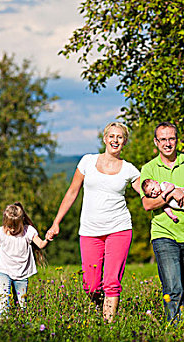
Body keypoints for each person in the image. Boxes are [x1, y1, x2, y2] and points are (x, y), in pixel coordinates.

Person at [46, 122, 140, 322]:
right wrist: (56, 222)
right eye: (112, 136)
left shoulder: (129, 169)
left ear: (125, 142)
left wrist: (169, 197)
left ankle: (108, 325)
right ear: (104, 139)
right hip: (90, 231)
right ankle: (100, 308)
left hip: (119, 229)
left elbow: (147, 193)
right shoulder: (87, 162)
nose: (115, 140)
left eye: (120, 137)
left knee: (111, 281)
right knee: (91, 285)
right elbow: (72, 192)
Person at [140, 122, 184, 322]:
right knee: (172, 287)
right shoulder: (149, 169)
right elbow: (147, 204)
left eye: (171, 138)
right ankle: (175, 330)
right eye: (163, 139)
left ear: (177, 140)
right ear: (156, 142)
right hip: (164, 234)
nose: (168, 143)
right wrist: (172, 193)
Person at [0, 202, 49, 316]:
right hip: (4, 270)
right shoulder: (0, 233)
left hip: (22, 273)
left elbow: (40, 244)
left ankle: (19, 324)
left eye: (15, 227)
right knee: (3, 299)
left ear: (22, 220)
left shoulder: (28, 231)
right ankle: (3, 323)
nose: (12, 230)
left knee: (21, 303)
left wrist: (47, 239)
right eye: (9, 226)